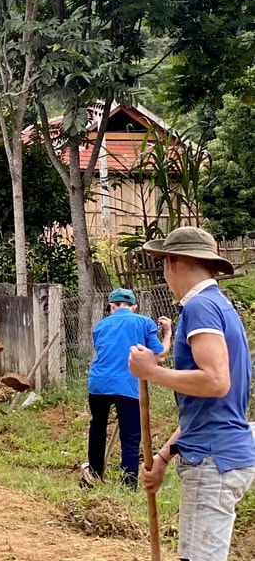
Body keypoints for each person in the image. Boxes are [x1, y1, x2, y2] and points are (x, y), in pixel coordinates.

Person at [129, 226, 255, 561]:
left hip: (213, 460)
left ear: (171, 263)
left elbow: (216, 382)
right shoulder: (219, 306)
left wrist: (151, 372)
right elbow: (209, 409)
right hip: (218, 452)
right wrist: (162, 457)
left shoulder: (200, 307)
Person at [81, 288, 172, 489]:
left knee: (97, 427)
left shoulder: (100, 325)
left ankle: (94, 475)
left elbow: (104, 351)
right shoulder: (144, 322)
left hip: (99, 383)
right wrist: (168, 333)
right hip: (129, 385)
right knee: (130, 436)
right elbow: (160, 357)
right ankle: (128, 484)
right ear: (134, 307)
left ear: (111, 306)